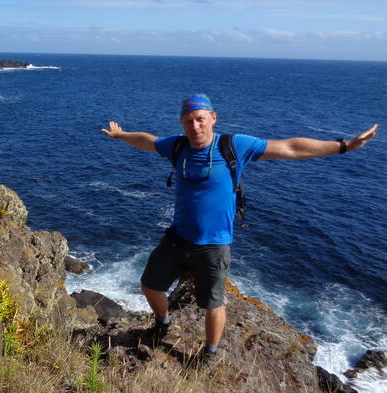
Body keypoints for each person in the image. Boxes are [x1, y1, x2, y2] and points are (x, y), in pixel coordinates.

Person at [101, 93, 378, 366]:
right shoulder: (177, 147)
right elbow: (148, 141)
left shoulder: (233, 146)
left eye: (199, 119)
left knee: (212, 304)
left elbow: (290, 148)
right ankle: (163, 322)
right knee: (150, 285)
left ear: (213, 118)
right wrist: (121, 135)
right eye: (187, 121)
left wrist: (344, 146)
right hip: (178, 237)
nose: (194, 126)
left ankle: (209, 353)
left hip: (214, 244)